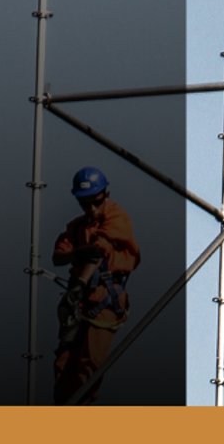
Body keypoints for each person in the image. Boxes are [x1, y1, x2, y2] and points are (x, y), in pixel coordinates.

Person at [51, 166, 140, 405]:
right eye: (85, 203)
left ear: (105, 195)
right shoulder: (78, 226)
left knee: (88, 366)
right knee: (63, 362)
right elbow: (58, 256)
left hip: (104, 299)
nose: (91, 208)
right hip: (79, 302)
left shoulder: (116, 217)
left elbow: (98, 251)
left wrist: (80, 280)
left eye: (95, 202)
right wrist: (79, 253)